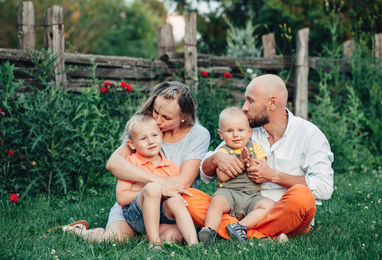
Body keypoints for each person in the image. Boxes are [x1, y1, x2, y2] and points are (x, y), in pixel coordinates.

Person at [183, 74, 334, 241]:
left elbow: (324, 187)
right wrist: (216, 159)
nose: (244, 108)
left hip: (280, 213)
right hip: (238, 208)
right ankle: (253, 233)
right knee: (187, 197)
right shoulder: (245, 130)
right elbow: (205, 175)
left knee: (303, 197)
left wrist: (273, 176)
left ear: (272, 103)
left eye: (250, 101)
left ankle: (235, 230)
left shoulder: (309, 135)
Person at [57, 81, 210, 242]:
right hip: (134, 204)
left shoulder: (198, 134)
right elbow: (114, 163)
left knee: (174, 236)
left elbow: (183, 182)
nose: (157, 120)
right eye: (155, 111)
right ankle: (83, 231)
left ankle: (145, 235)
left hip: (168, 209)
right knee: (111, 239)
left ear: (184, 117)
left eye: (166, 117)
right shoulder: (145, 126)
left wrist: (152, 187)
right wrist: (155, 184)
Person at [116, 113, 198, 248]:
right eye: (143, 138)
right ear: (131, 144)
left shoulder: (171, 167)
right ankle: (154, 243)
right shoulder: (130, 163)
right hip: (136, 216)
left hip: (160, 217)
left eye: (154, 135)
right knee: (153, 188)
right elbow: (121, 197)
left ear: (161, 135)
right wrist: (150, 191)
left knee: (175, 230)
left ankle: (194, 244)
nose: (151, 141)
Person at [198, 107, 275, 245]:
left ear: (249, 132)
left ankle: (239, 227)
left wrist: (249, 162)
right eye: (229, 131)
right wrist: (240, 161)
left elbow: (262, 167)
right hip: (229, 193)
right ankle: (209, 231)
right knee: (216, 201)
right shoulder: (223, 151)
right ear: (221, 134)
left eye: (240, 130)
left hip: (252, 195)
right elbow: (222, 177)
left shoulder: (256, 148)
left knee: (269, 205)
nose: (236, 135)